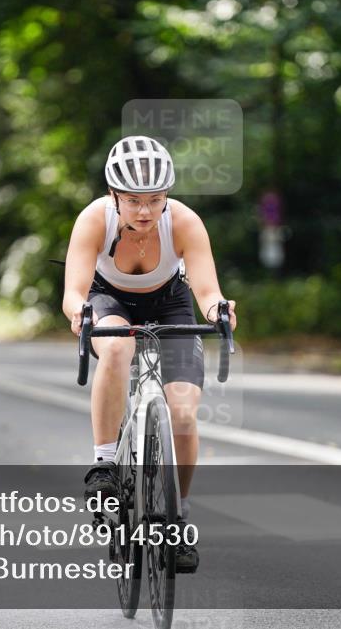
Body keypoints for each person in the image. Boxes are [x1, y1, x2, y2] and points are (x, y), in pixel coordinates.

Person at [62, 135, 237, 573]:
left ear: (167, 197)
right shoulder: (92, 221)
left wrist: (220, 310)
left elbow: (207, 290)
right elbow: (73, 292)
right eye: (134, 201)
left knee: (182, 412)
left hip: (170, 301)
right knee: (118, 349)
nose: (144, 211)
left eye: (155, 200)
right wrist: (81, 315)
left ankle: (176, 517)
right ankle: (104, 465)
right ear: (113, 196)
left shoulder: (183, 222)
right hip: (108, 300)